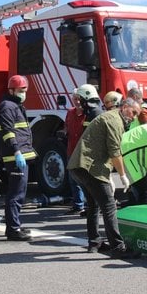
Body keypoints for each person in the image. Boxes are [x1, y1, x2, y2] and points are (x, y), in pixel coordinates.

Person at [67, 97, 141, 258]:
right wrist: (122, 176)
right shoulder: (115, 121)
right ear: (125, 107)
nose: (134, 117)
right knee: (109, 206)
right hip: (89, 167)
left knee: (94, 205)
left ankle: (95, 242)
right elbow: (115, 152)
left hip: (80, 166)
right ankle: (118, 246)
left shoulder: (113, 117)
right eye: (133, 112)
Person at [0, 75, 36, 241]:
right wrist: (16, 151)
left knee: (19, 193)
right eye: (20, 91)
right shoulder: (7, 106)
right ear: (11, 90)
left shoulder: (16, 105)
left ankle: (15, 225)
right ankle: (13, 229)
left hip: (20, 155)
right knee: (16, 194)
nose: (23, 93)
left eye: (25, 91)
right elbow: (7, 131)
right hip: (15, 157)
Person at [63, 88, 86, 216]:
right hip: (71, 150)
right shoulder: (70, 112)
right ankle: (78, 205)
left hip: (83, 152)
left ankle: (89, 204)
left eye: (79, 99)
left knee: (84, 180)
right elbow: (66, 126)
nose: (77, 102)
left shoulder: (87, 114)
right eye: (75, 99)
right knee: (73, 179)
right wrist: (64, 132)